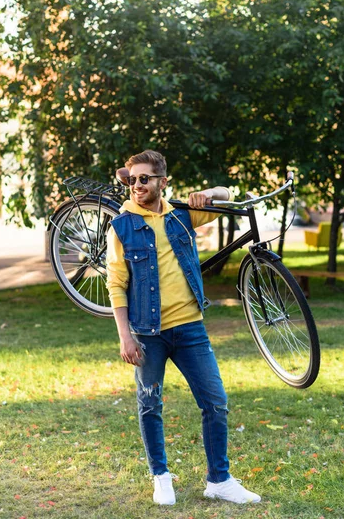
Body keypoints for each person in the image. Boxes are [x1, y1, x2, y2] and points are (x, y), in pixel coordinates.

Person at [106, 150, 261, 506]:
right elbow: (116, 283)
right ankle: (160, 476)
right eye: (131, 179)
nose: (137, 186)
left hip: (190, 328)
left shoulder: (181, 215)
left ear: (162, 181)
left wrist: (210, 194)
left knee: (216, 403)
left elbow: (226, 193)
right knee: (150, 404)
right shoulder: (121, 226)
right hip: (148, 333)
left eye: (145, 179)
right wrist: (125, 336)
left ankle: (219, 480)